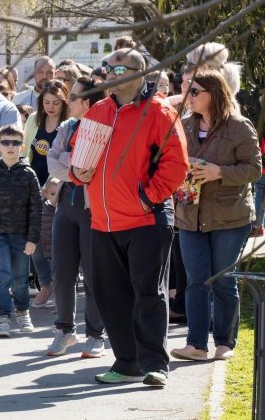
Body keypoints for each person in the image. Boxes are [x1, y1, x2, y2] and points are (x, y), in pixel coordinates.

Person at [71, 49, 188, 386]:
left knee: (149, 294)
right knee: (111, 296)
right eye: (107, 68)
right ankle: (126, 363)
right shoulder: (98, 110)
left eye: (119, 68)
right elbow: (80, 157)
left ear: (140, 74)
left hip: (146, 220)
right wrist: (78, 175)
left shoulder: (160, 112)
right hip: (103, 222)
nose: (110, 73)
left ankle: (155, 365)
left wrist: (145, 198)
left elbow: (176, 165)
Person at [170, 69, 261, 362]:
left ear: (214, 94)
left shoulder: (239, 126)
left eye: (195, 91)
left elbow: (254, 170)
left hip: (229, 217)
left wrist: (218, 172)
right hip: (189, 214)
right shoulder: (183, 126)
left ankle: (224, 342)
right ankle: (196, 344)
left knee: (222, 279)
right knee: (196, 280)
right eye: (188, 91)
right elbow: (170, 162)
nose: (189, 96)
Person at [46, 76, 107, 357]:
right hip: (65, 208)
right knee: (62, 273)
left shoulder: (106, 129)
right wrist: (73, 170)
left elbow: (97, 166)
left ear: (87, 102)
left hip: (92, 210)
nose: (66, 101)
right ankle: (64, 331)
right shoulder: (66, 127)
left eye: (72, 97)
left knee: (95, 275)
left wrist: (71, 164)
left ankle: (96, 335)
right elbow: (52, 160)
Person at [0, 124, 42, 337]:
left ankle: (23, 311)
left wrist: (33, 238)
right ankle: (3, 316)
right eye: (6, 142)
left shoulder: (28, 174)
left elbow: (36, 208)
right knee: (2, 276)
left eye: (15, 143)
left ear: (22, 147)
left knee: (21, 277)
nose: (10, 146)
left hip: (22, 235)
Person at [23, 80, 70, 308]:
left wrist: (55, 182)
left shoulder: (69, 125)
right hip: (35, 185)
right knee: (33, 238)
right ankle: (46, 283)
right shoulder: (34, 120)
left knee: (56, 239)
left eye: (56, 103)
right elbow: (24, 152)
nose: (51, 107)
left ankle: (62, 285)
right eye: (47, 102)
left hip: (59, 188)